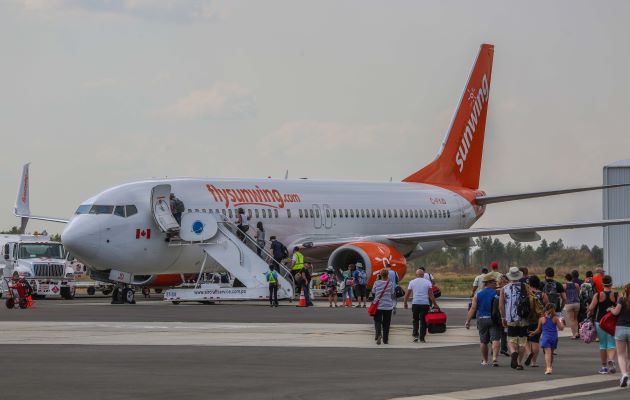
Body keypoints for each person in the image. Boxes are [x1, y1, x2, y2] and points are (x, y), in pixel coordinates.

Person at [465, 274, 502, 367]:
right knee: (496, 339)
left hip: (482, 319)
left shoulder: (478, 294)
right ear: (488, 283)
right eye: (494, 283)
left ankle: (485, 360)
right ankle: (494, 358)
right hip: (494, 319)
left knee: (483, 341)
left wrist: (468, 321)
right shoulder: (497, 293)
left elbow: (473, 309)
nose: (495, 284)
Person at [499, 267, 529, 370]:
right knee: (522, 341)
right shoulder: (525, 287)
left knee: (511, 339)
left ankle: (513, 353)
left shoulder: (504, 288)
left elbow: (501, 305)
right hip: (523, 318)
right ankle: (519, 363)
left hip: (510, 318)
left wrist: (503, 317)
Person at [588, 275, 618, 374]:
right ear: (611, 283)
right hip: (612, 322)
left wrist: (589, 312)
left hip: (600, 322)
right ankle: (612, 361)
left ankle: (604, 367)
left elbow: (591, 308)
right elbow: (619, 308)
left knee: (602, 345)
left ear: (602, 284)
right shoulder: (616, 295)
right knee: (612, 343)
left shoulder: (598, 295)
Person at [529, 303, 565, 375]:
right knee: (551, 353)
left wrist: (533, 333)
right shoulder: (556, 318)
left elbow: (539, 330)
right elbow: (561, 328)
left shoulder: (542, 319)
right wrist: (563, 322)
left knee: (547, 353)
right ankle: (549, 366)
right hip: (554, 337)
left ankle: (548, 367)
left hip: (545, 337)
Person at [404, 268, 437, 343]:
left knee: (415, 320)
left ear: (416, 275)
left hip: (415, 303)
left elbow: (407, 294)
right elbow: (431, 294)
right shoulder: (428, 282)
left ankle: (415, 335)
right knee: (423, 321)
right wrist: (435, 304)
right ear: (423, 275)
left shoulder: (412, 282)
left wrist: (405, 303)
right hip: (425, 304)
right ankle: (422, 337)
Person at [524, 275, 548, 368]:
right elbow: (547, 307)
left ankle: (528, 353)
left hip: (527, 319)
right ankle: (534, 362)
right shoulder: (542, 294)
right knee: (535, 340)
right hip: (538, 320)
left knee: (525, 339)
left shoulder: (526, 294)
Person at [610, 283, 630, 387]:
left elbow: (616, 312)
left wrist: (611, 309)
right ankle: (629, 378)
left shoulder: (622, 300)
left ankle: (624, 374)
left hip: (621, 328)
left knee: (621, 354)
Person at [372, 268, 396, 345]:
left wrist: (377, 279)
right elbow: (392, 293)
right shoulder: (390, 283)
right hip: (388, 306)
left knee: (377, 321)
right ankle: (385, 339)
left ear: (380, 275)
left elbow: (373, 292)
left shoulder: (376, 283)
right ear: (387, 275)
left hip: (378, 305)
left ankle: (379, 334)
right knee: (386, 323)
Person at [563, 273, 581, 339]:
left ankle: (574, 334)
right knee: (575, 319)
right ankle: (577, 332)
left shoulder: (564, 286)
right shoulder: (576, 285)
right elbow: (578, 293)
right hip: (577, 303)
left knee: (571, 320)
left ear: (566, 279)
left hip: (569, 303)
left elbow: (563, 295)